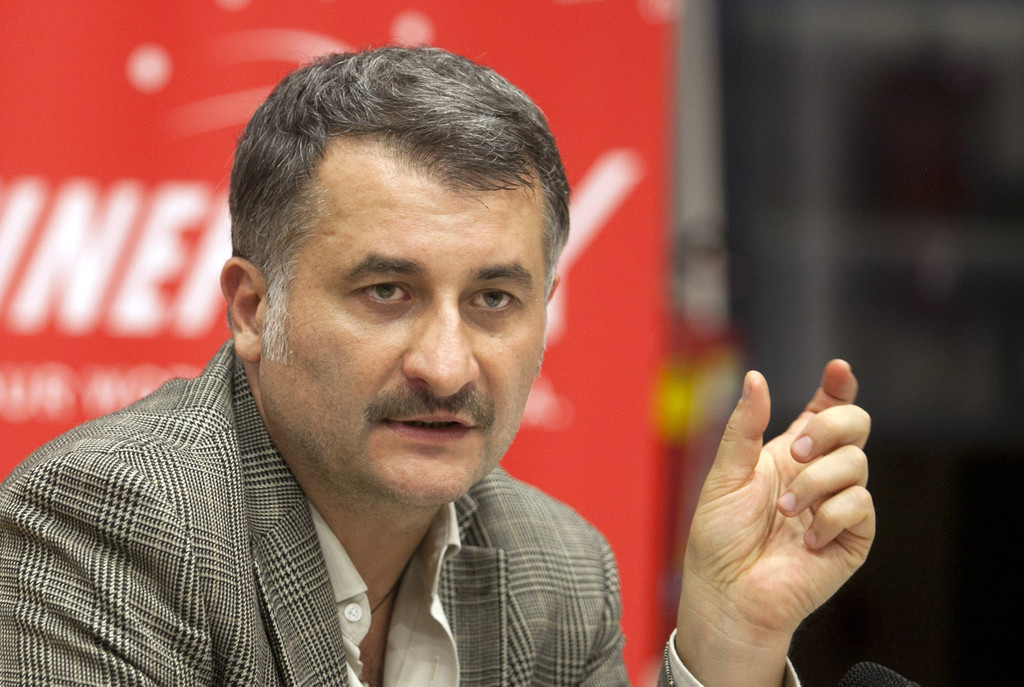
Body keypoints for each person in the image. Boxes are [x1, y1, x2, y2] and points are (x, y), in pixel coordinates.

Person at [0, 47, 873, 686]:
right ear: (253, 309)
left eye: (493, 298)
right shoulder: (114, 524)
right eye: (387, 292)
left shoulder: (557, 570)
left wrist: (726, 647)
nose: (448, 367)